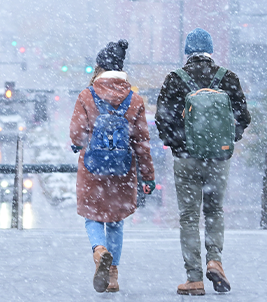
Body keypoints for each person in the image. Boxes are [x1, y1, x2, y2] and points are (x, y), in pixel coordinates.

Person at [155, 28, 251, 295]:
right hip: (218, 159)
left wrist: (178, 144)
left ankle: (194, 278)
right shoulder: (227, 78)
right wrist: (226, 142)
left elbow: (162, 120)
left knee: (188, 216)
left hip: (186, 159)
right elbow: (243, 118)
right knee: (214, 211)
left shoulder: (175, 79)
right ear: (210, 51)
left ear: (187, 52)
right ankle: (215, 260)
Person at [70, 39, 155, 293]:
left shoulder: (87, 95)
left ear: (100, 68)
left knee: (92, 217)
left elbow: (76, 136)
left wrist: (83, 143)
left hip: (93, 171)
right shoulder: (135, 100)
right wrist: (148, 177)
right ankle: (113, 276)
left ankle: (99, 251)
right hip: (122, 173)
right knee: (116, 222)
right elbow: (142, 143)